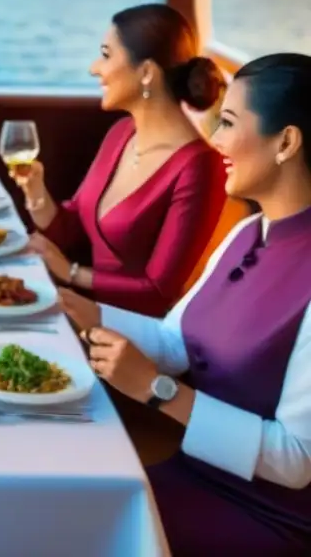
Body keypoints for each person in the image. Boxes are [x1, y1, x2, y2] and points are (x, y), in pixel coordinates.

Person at [61, 53, 311, 555]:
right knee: (55, 496)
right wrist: (80, 310)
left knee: (70, 529)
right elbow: (178, 341)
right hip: (193, 472)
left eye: (229, 123)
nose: (215, 139)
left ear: (285, 142)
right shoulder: (246, 232)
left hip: (264, 515)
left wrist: (157, 392)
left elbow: (296, 459)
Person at [16, 3, 228, 317]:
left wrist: (71, 273)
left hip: (131, 339)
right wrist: (36, 192)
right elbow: (72, 229)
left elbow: (158, 291)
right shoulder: (122, 133)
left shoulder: (200, 168)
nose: (94, 68)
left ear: (146, 73)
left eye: (105, 54)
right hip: (82, 313)